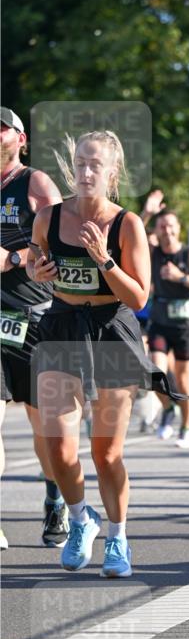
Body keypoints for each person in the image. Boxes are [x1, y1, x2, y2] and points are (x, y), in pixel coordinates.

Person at [28, 130, 180, 577]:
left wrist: (104, 260)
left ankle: (117, 536)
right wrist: (40, 270)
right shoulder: (48, 219)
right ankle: (80, 520)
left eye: (95, 165)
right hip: (60, 329)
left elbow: (138, 298)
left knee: (107, 454)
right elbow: (38, 266)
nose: (85, 172)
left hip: (111, 332)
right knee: (57, 447)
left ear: (112, 172)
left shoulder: (127, 224)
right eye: (79, 163)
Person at [0, 106, 69, 549]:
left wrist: (10, 258)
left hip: (31, 318)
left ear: (20, 139)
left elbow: (64, 239)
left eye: (1, 127)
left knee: (42, 425)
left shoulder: (36, 183)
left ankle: (55, 500)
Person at [147, 208, 189, 449]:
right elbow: (132, 237)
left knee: (184, 380)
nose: (167, 230)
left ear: (178, 228)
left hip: (184, 323)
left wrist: (180, 277)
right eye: (162, 226)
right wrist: (147, 212)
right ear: (157, 231)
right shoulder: (153, 253)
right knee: (154, 373)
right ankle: (168, 407)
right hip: (160, 319)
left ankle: (186, 428)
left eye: (171, 225)